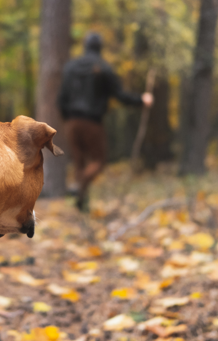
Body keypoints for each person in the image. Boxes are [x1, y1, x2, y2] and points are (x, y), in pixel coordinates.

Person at [57, 32, 153, 212]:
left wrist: (67, 120)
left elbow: (61, 98)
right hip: (92, 122)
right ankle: (78, 188)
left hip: (71, 122)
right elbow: (120, 96)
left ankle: (81, 204)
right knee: (99, 161)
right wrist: (141, 100)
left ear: (85, 46)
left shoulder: (70, 68)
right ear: (100, 47)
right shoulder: (104, 68)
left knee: (80, 164)